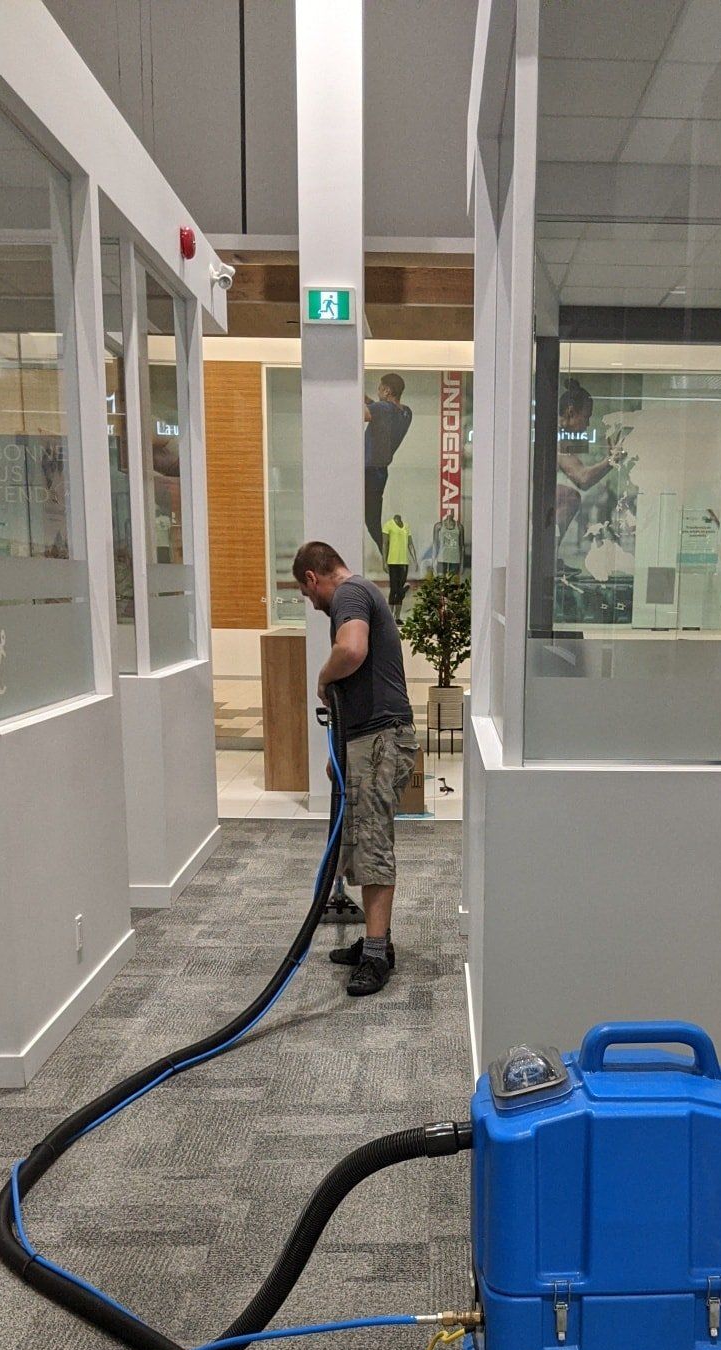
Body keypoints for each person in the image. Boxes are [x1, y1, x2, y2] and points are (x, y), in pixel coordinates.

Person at [292, 540, 417, 997]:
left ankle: (377, 954)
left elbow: (352, 650)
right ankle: (374, 943)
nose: (314, 603)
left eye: (309, 596)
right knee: (359, 840)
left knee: (372, 845)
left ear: (312, 577)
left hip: (381, 740)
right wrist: (341, 753)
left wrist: (322, 679)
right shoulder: (360, 592)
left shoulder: (347, 593)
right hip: (370, 739)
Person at [555, 380, 622, 540]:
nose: (588, 424)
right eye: (586, 417)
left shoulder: (562, 438)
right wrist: (612, 460)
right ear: (571, 413)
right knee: (569, 497)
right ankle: (550, 552)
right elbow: (583, 479)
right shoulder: (555, 437)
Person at [364, 373, 412, 560]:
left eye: (379, 389)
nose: (377, 392)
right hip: (381, 472)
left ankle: (391, 557)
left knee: (371, 522)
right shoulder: (406, 412)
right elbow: (375, 407)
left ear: (387, 390)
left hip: (369, 471)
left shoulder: (383, 409)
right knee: (373, 519)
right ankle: (393, 560)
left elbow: (367, 412)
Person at [382, 510, 416, 614]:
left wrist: (415, 559)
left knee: (399, 589)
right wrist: (384, 561)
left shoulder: (406, 526)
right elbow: (385, 544)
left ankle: (397, 616)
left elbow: (410, 544)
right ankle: (390, 616)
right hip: (393, 561)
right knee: (394, 589)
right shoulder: (388, 525)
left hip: (404, 562)